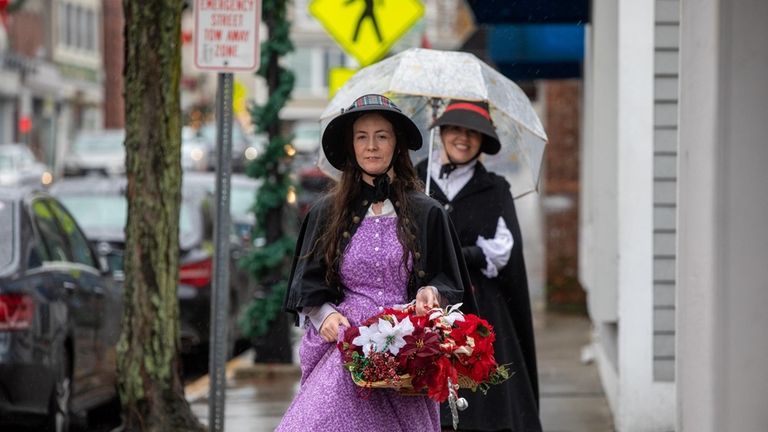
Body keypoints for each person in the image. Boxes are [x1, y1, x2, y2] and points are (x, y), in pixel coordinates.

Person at [277, 94, 474, 431]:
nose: (371, 146)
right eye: (362, 137)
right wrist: (324, 314)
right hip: (347, 345)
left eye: (382, 136)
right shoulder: (326, 213)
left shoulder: (428, 213)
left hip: (408, 349)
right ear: (350, 146)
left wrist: (431, 292)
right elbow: (306, 285)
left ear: (397, 144)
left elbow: (449, 281)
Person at [416, 100, 542, 432]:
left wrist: (459, 254)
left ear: (483, 142)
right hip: (423, 307)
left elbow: (503, 252)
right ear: (441, 132)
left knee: (482, 408)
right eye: (456, 128)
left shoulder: (495, 188)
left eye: (474, 133)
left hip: (480, 308)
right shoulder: (416, 182)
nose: (463, 138)